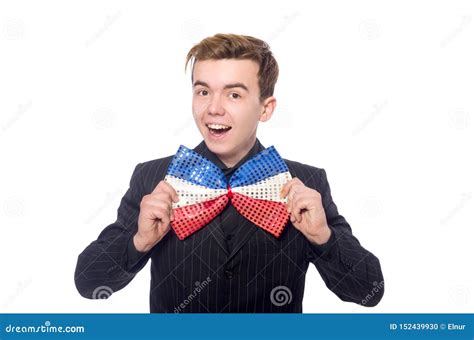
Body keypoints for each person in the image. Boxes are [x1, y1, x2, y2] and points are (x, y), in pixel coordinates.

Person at [74, 33, 384, 312]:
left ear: (266, 108)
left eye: (233, 94)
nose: (213, 108)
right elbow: (88, 283)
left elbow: (370, 292)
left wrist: (323, 238)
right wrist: (139, 241)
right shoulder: (153, 178)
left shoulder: (306, 184)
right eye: (203, 92)